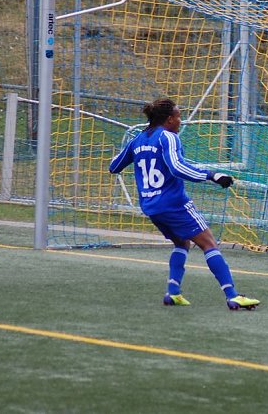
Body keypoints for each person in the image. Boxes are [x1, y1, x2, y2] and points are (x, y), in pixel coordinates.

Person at [109, 98, 259, 311]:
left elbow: (114, 166)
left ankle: (173, 293)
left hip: (151, 206)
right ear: (169, 119)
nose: (181, 120)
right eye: (179, 116)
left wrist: (137, 153)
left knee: (182, 243)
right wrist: (212, 175)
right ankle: (233, 296)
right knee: (209, 244)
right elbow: (177, 167)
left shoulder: (137, 140)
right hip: (173, 204)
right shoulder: (168, 137)